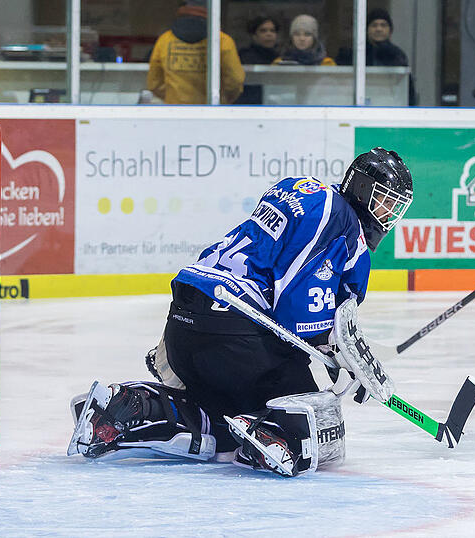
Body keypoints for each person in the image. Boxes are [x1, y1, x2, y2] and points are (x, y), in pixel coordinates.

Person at [68, 148, 414, 477]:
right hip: (234, 337)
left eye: (394, 207)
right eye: (384, 201)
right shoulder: (344, 225)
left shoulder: (299, 189)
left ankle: (132, 406)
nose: (387, 214)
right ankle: (274, 433)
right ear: (361, 189)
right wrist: (339, 357)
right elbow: (297, 315)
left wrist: (338, 353)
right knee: (317, 425)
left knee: (219, 424)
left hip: (182, 328)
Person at [146, 0, 244, 104]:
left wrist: (172, 97)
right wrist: (223, 99)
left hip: (175, 108)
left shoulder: (165, 40)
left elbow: (154, 83)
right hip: (212, 109)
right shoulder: (222, 40)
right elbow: (235, 80)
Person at [335, 8, 409, 67]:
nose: (379, 29)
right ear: (366, 30)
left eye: (383, 25)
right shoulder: (356, 53)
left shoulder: (396, 54)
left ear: (390, 31)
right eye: (374, 25)